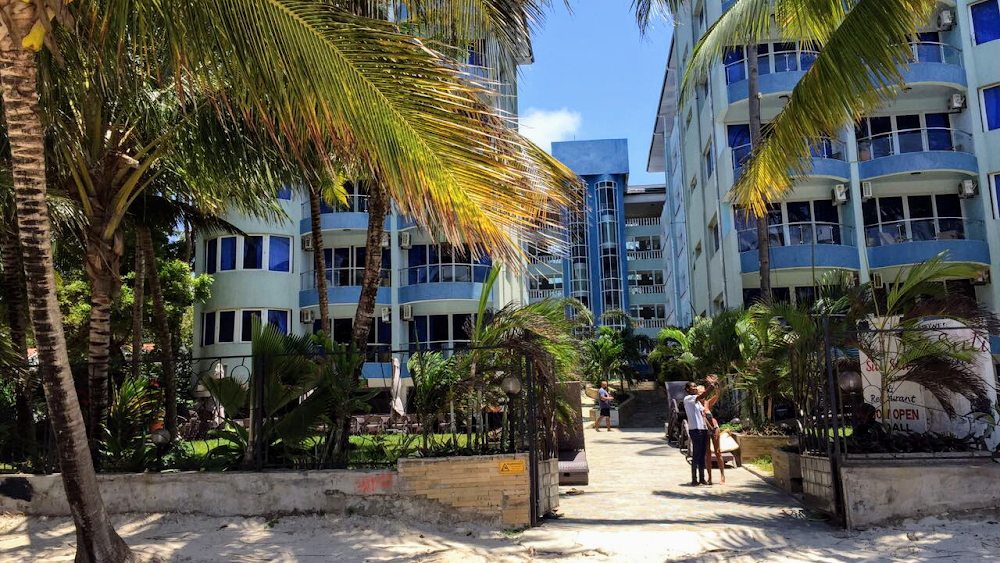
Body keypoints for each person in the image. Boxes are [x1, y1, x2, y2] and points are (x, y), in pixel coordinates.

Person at [683, 380, 714, 485]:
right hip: (695, 430)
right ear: (688, 389)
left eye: (696, 386)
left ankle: (702, 478)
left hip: (703, 429)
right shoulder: (688, 399)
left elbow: (703, 416)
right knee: (696, 454)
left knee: (702, 455)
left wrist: (710, 428)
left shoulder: (697, 403)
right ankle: (694, 479)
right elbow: (703, 395)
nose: (695, 388)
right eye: (693, 387)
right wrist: (711, 386)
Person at [700, 375, 725, 485]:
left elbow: (717, 395)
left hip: (713, 427)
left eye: (702, 393)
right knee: (708, 454)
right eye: (699, 393)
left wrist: (715, 385)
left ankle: (722, 476)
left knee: (718, 451)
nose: (701, 395)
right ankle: (709, 477)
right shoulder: (695, 403)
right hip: (704, 430)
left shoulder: (707, 403)